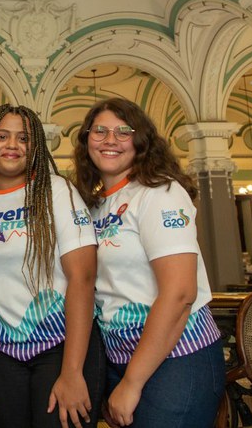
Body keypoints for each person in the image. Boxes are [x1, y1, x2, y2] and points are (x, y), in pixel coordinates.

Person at [72, 98, 224, 427]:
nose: (110, 139)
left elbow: (180, 293)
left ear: (141, 141)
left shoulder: (159, 193)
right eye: (99, 131)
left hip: (177, 359)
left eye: (122, 131)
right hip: (122, 357)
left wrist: (132, 383)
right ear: (86, 140)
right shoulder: (97, 205)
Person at [0, 105, 105, 428]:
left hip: (61, 346)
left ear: (35, 147)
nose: (12, 146)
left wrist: (73, 372)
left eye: (24, 138)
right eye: (2, 136)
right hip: (0, 350)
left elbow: (83, 279)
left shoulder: (57, 191)